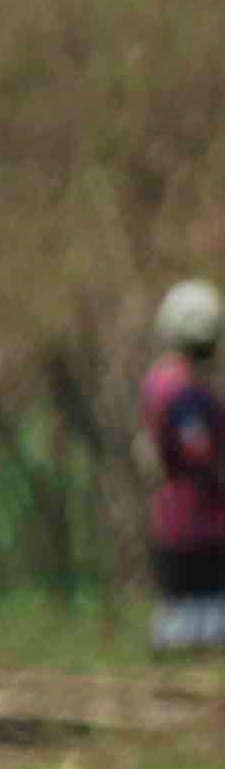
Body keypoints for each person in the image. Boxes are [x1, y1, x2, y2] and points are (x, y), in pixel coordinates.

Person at [150, 279, 225, 657]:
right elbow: (200, 455)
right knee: (198, 627)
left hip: (179, 520)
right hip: (200, 524)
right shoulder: (183, 394)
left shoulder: (161, 382)